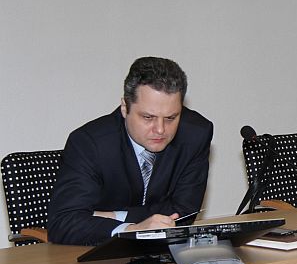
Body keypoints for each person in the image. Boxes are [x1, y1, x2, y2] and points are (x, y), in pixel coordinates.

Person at [48, 57, 213, 245]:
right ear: (125, 107)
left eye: (170, 118)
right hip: (98, 252)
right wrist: (131, 229)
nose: (160, 129)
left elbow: (184, 212)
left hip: (163, 252)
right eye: (148, 117)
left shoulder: (195, 134)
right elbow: (63, 222)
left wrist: (115, 216)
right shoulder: (90, 143)